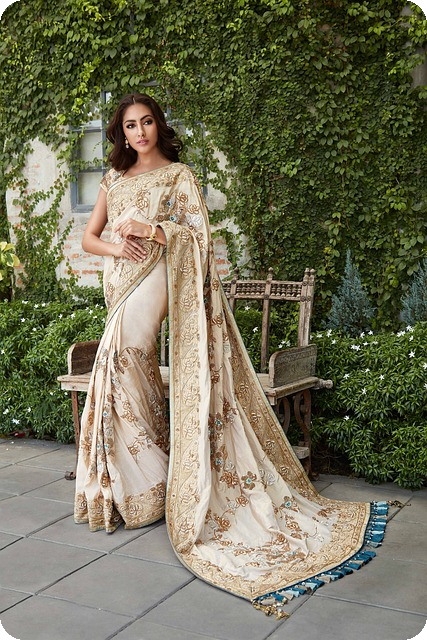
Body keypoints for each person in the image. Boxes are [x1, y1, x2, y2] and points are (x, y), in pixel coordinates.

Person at [74, 92, 388, 618]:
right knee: (129, 372)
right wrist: (116, 247)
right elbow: (89, 238)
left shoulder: (179, 176)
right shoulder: (114, 178)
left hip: (156, 275)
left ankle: (147, 481)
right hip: (120, 279)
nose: (140, 132)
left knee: (127, 357)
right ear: (120, 133)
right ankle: (142, 488)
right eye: (130, 125)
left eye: (147, 122)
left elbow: (198, 239)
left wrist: (152, 231)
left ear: (159, 125)